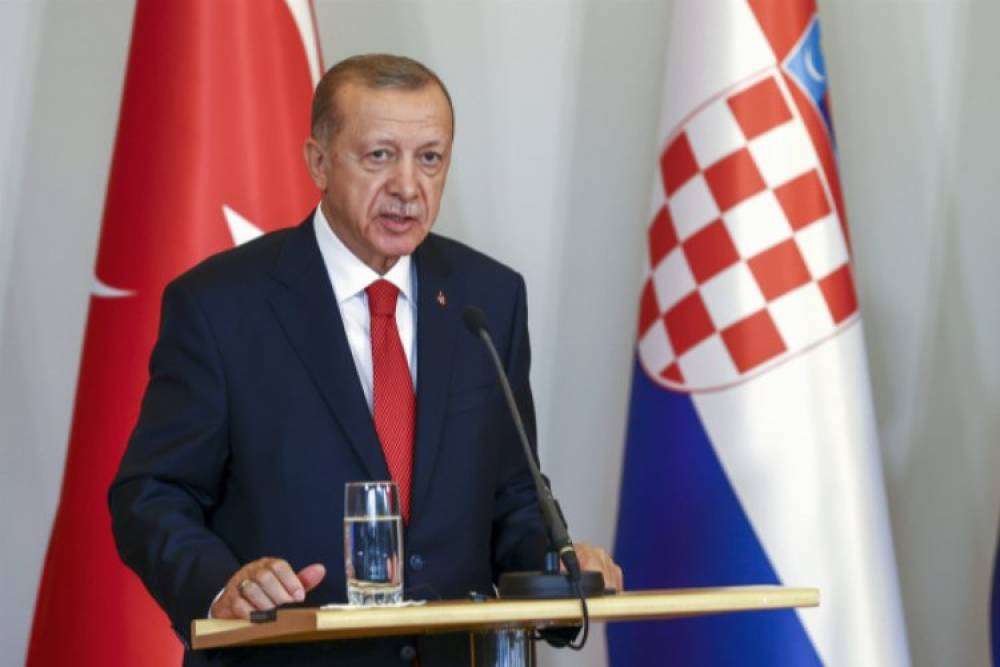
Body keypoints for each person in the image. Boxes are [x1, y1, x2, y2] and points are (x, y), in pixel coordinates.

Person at [109, 54, 622, 666]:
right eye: (380, 155)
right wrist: (223, 587)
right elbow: (152, 494)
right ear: (319, 162)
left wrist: (558, 569)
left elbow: (512, 495)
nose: (407, 186)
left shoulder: (488, 299)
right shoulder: (221, 304)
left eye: (429, 158)